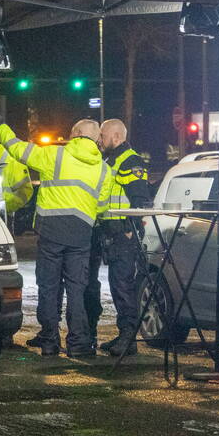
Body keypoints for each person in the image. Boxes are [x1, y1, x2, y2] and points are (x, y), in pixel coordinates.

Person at [0, 110, 112, 358]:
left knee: (49, 287)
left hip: (51, 232)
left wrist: (0, 125)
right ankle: (78, 344)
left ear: (75, 134)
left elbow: (16, 148)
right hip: (81, 233)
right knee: (77, 289)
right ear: (96, 139)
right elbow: (102, 206)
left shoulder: (55, 155)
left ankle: (50, 341)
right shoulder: (104, 169)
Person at [84, 119, 152, 356]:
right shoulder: (110, 160)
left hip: (123, 233)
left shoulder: (130, 161)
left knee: (123, 286)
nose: (99, 140)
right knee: (116, 285)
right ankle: (124, 334)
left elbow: (141, 200)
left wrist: (131, 229)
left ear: (115, 137)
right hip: (108, 231)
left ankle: (129, 337)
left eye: (102, 136)